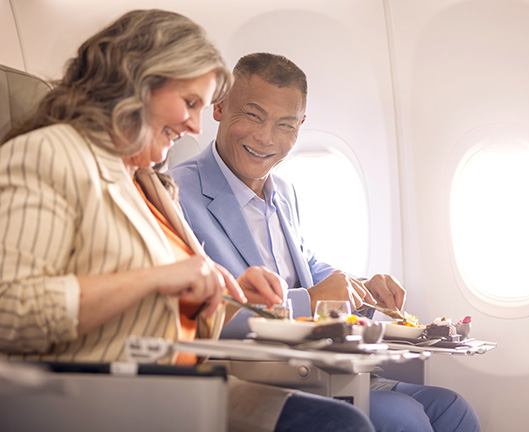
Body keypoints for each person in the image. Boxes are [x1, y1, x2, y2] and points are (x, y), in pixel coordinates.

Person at [0, 10, 374, 432]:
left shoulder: (151, 183)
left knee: (341, 420)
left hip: (181, 382)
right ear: (137, 82)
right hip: (99, 392)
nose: (196, 124)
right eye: (190, 102)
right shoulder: (50, 154)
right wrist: (157, 278)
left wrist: (233, 297)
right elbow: (10, 311)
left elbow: (176, 314)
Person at [169, 52, 481, 432]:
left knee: (453, 408)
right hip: (265, 376)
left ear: (300, 126)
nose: (266, 138)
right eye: (253, 115)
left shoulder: (284, 193)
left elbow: (311, 268)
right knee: (404, 417)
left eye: (286, 124)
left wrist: (362, 289)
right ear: (219, 107)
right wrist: (311, 300)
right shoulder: (180, 194)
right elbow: (200, 314)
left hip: (323, 368)